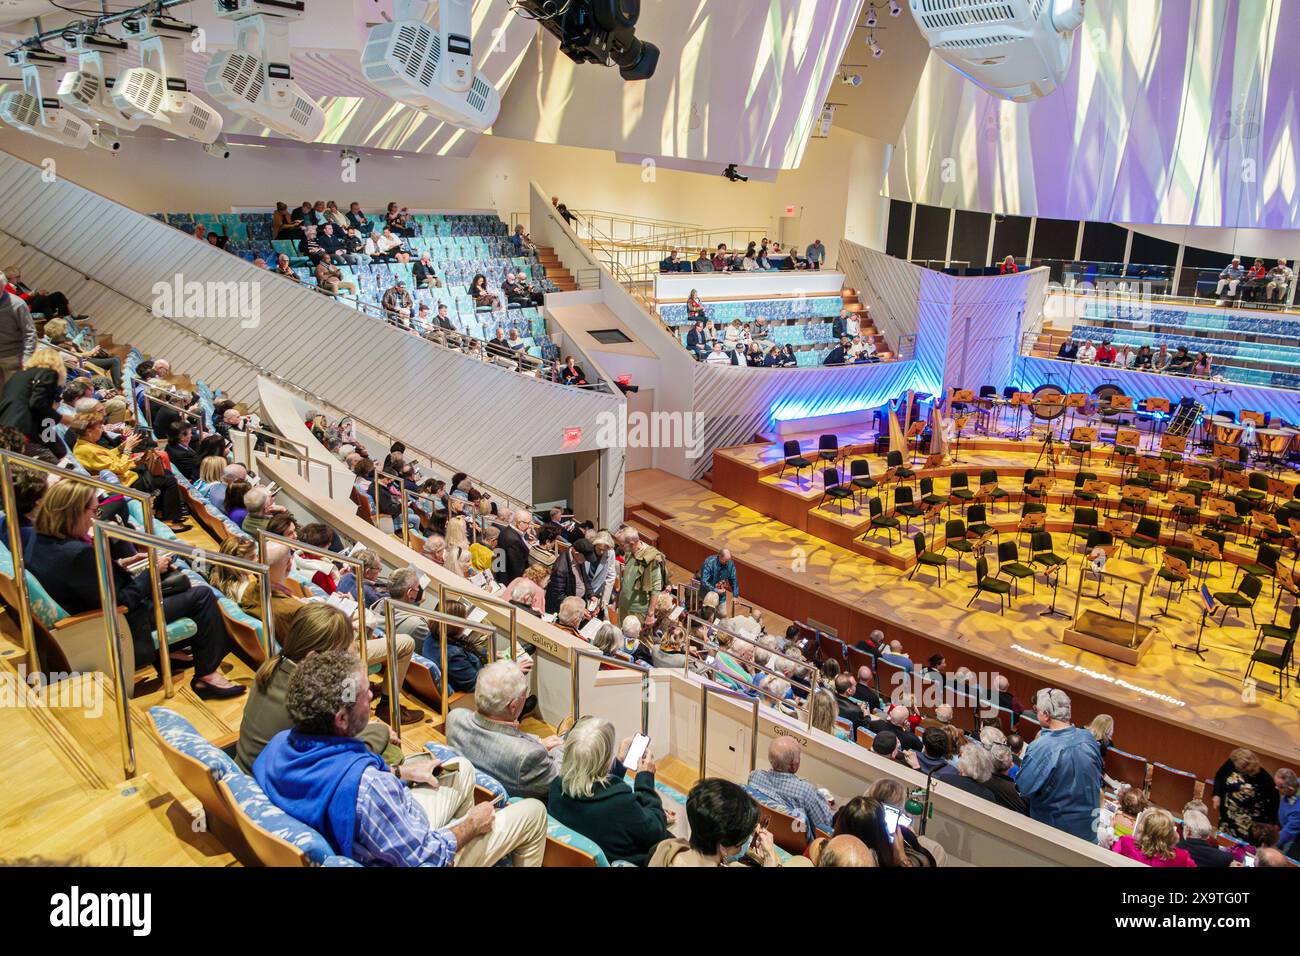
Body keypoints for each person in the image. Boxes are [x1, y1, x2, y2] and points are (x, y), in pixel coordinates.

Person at [253, 649, 546, 866]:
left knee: (460, 769)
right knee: (533, 812)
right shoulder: (370, 789)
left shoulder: (277, 746)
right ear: (341, 719)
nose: (371, 696)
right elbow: (426, 857)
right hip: (416, 855)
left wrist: (401, 773)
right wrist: (471, 824)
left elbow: (343, 776)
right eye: (366, 693)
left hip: (379, 837)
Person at [26, 479, 243, 699]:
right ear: (74, 512)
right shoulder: (77, 555)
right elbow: (122, 602)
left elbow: (86, 581)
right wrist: (152, 572)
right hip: (115, 622)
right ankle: (207, 675)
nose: (95, 517)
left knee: (180, 583)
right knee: (202, 596)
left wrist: (124, 564)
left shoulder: (39, 539)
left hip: (97, 608)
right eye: (94, 510)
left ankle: (172, 653)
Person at [236, 602, 393, 772]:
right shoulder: (312, 701)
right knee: (392, 752)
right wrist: (381, 731)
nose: (346, 659)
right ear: (313, 658)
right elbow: (343, 758)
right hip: (276, 788)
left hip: (246, 773)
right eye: (342, 653)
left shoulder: (272, 666)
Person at [546, 716, 672, 866]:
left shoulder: (556, 787)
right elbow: (656, 830)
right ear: (605, 760)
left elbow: (596, 791)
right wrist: (645, 778)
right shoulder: (621, 804)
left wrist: (618, 763)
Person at [445, 660, 561, 801]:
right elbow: (560, 780)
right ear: (514, 706)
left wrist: (538, 742)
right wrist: (561, 746)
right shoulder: (528, 756)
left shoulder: (455, 718)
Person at [648, 778, 809, 867]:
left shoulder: (663, 849)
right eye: (742, 842)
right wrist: (770, 860)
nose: (743, 845)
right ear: (723, 847)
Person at [1014, 688, 1103, 842]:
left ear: (1046, 715)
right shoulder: (1089, 738)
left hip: (1054, 837)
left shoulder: (1042, 747)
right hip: (1089, 832)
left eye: (1038, 711)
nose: (1037, 713)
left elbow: (1023, 787)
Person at [746, 736, 834, 834]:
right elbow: (827, 826)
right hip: (796, 845)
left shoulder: (755, 776)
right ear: (793, 765)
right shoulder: (806, 791)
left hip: (764, 831)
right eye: (799, 757)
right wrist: (825, 806)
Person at [1213, 747, 1279, 842]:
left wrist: (1270, 825)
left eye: (1237, 767)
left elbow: (1272, 805)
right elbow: (1219, 776)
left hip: (1247, 825)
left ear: (1244, 768)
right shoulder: (1233, 762)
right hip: (1227, 818)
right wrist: (1217, 794)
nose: (1233, 766)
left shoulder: (1266, 781)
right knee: (1224, 842)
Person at [1111, 808, 1196, 867]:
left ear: (1143, 828)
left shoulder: (1126, 842)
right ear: (1170, 832)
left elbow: (1110, 860)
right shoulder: (1181, 857)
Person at [617, 528, 666, 622]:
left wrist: (650, 614)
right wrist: (617, 600)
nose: (619, 547)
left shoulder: (651, 559)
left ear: (631, 543)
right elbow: (626, 580)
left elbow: (656, 588)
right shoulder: (629, 552)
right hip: (623, 606)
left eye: (622, 545)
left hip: (638, 611)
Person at [0, 271, 37, 388]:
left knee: (12, 394)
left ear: (3, 286)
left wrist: (26, 358)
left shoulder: (17, 304)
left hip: (13, 358)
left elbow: (30, 333)